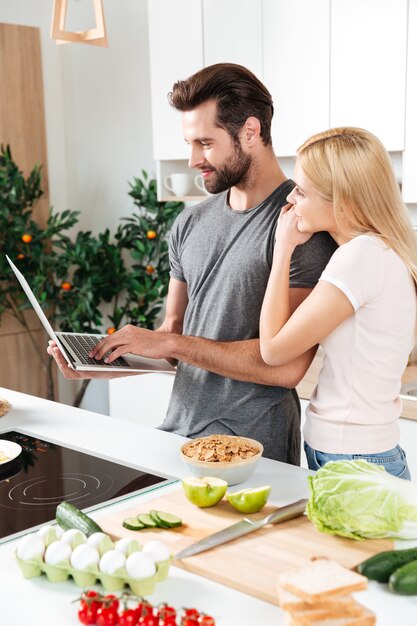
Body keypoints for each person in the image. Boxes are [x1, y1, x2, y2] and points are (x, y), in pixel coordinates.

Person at [48, 63, 337, 463]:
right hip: (179, 436)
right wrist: (108, 364)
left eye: (204, 142)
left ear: (250, 132)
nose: (192, 159)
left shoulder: (301, 226)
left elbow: (285, 369)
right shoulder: (190, 223)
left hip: (253, 451)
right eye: (189, 143)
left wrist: (171, 342)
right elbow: (175, 336)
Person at [259, 126, 417, 478]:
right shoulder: (376, 251)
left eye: (301, 191)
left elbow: (272, 350)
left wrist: (282, 248)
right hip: (357, 453)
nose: (291, 201)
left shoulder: (360, 257)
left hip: (354, 459)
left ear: (341, 201)